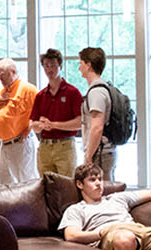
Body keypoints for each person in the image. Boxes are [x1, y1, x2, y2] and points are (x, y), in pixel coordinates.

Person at [43, 47, 116, 180]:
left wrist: (88, 156)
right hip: (101, 152)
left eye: (81, 63)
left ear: (88, 65)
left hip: (99, 154)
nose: (79, 68)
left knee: (102, 194)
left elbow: (97, 127)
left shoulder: (96, 92)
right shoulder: (101, 89)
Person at [30, 48, 83, 178]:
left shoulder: (72, 92)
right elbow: (33, 125)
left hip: (65, 146)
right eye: (46, 66)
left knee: (67, 186)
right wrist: (40, 125)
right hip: (44, 147)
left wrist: (53, 125)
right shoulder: (40, 96)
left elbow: (79, 123)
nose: (49, 69)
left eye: (53, 65)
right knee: (45, 186)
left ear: (60, 66)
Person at [0, 58, 40, 185]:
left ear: (13, 72)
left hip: (20, 142)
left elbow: (40, 111)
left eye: (2, 75)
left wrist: (29, 128)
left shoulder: (28, 89)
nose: (0, 78)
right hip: (3, 144)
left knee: (25, 181)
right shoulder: (0, 92)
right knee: (4, 183)